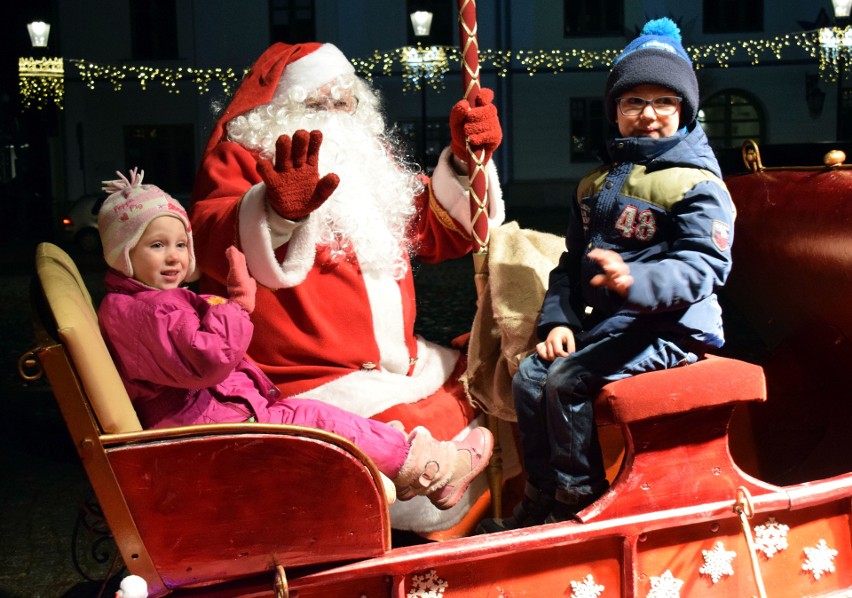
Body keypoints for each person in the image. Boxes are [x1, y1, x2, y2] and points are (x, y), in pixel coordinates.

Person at [190, 43, 505, 530]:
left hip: (399, 361)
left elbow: (443, 229)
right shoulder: (245, 160)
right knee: (414, 431)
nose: (336, 116)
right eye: (318, 104)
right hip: (307, 375)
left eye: (345, 102)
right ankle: (425, 538)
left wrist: (466, 165)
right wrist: (274, 212)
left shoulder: (371, 168)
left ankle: (475, 523)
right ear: (279, 112)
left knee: (496, 383)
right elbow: (208, 232)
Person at [96, 168, 493, 512]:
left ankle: (433, 467)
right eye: (156, 246)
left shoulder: (147, 302)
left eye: (181, 245)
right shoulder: (148, 310)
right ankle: (432, 470)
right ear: (122, 253)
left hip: (231, 411)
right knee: (332, 428)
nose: (173, 258)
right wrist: (235, 306)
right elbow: (208, 357)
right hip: (219, 427)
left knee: (330, 421)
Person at [478, 18, 735, 532]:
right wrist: (558, 323)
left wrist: (638, 284)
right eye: (632, 102)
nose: (648, 115)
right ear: (615, 111)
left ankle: (580, 498)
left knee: (569, 380)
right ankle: (541, 495)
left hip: (671, 327)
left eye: (663, 101)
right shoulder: (596, 183)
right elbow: (571, 265)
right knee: (531, 377)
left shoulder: (697, 183)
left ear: (684, 110)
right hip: (610, 325)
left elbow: (705, 265)